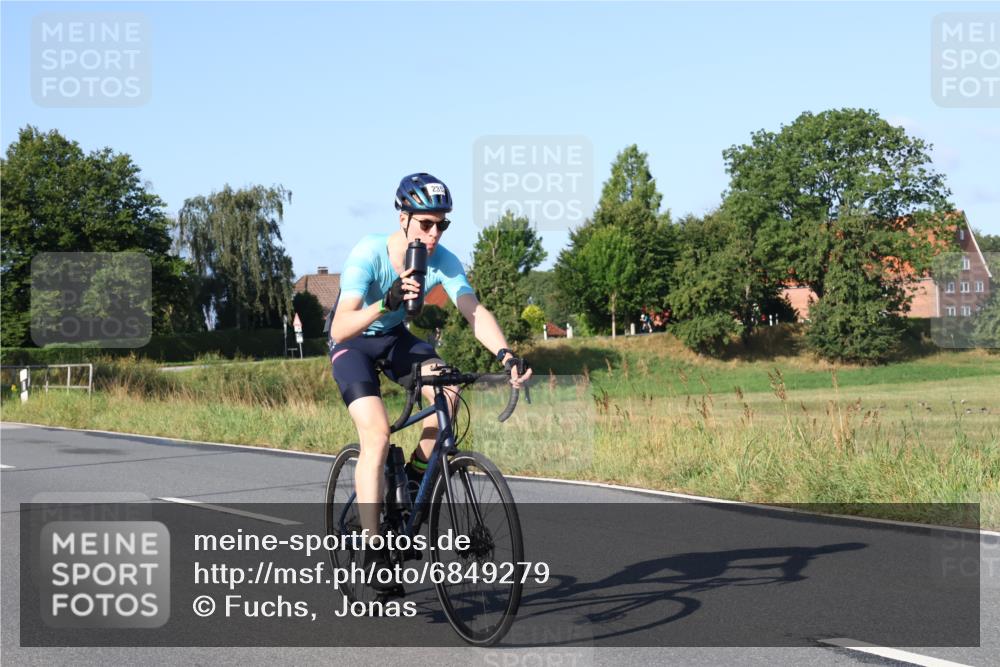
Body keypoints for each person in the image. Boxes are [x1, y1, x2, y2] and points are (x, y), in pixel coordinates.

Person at [328, 172, 532, 590]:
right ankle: (373, 546)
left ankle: (420, 474)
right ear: (403, 218)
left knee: (449, 386)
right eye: (426, 223)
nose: (435, 232)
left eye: (442, 224)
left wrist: (506, 354)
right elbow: (340, 326)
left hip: (396, 341)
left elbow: (473, 311)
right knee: (379, 435)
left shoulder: (442, 260)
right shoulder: (369, 253)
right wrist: (384, 302)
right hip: (353, 343)